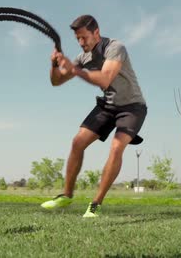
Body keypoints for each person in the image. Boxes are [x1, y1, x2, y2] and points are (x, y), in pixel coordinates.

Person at [41, 14, 147, 217]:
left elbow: (105, 79)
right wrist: (55, 65)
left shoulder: (115, 48)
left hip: (132, 107)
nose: (81, 43)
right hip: (108, 106)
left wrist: (74, 69)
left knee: (116, 148)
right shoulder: (84, 58)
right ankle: (66, 195)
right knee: (77, 142)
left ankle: (96, 204)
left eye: (84, 38)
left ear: (96, 33)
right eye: (77, 39)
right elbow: (57, 82)